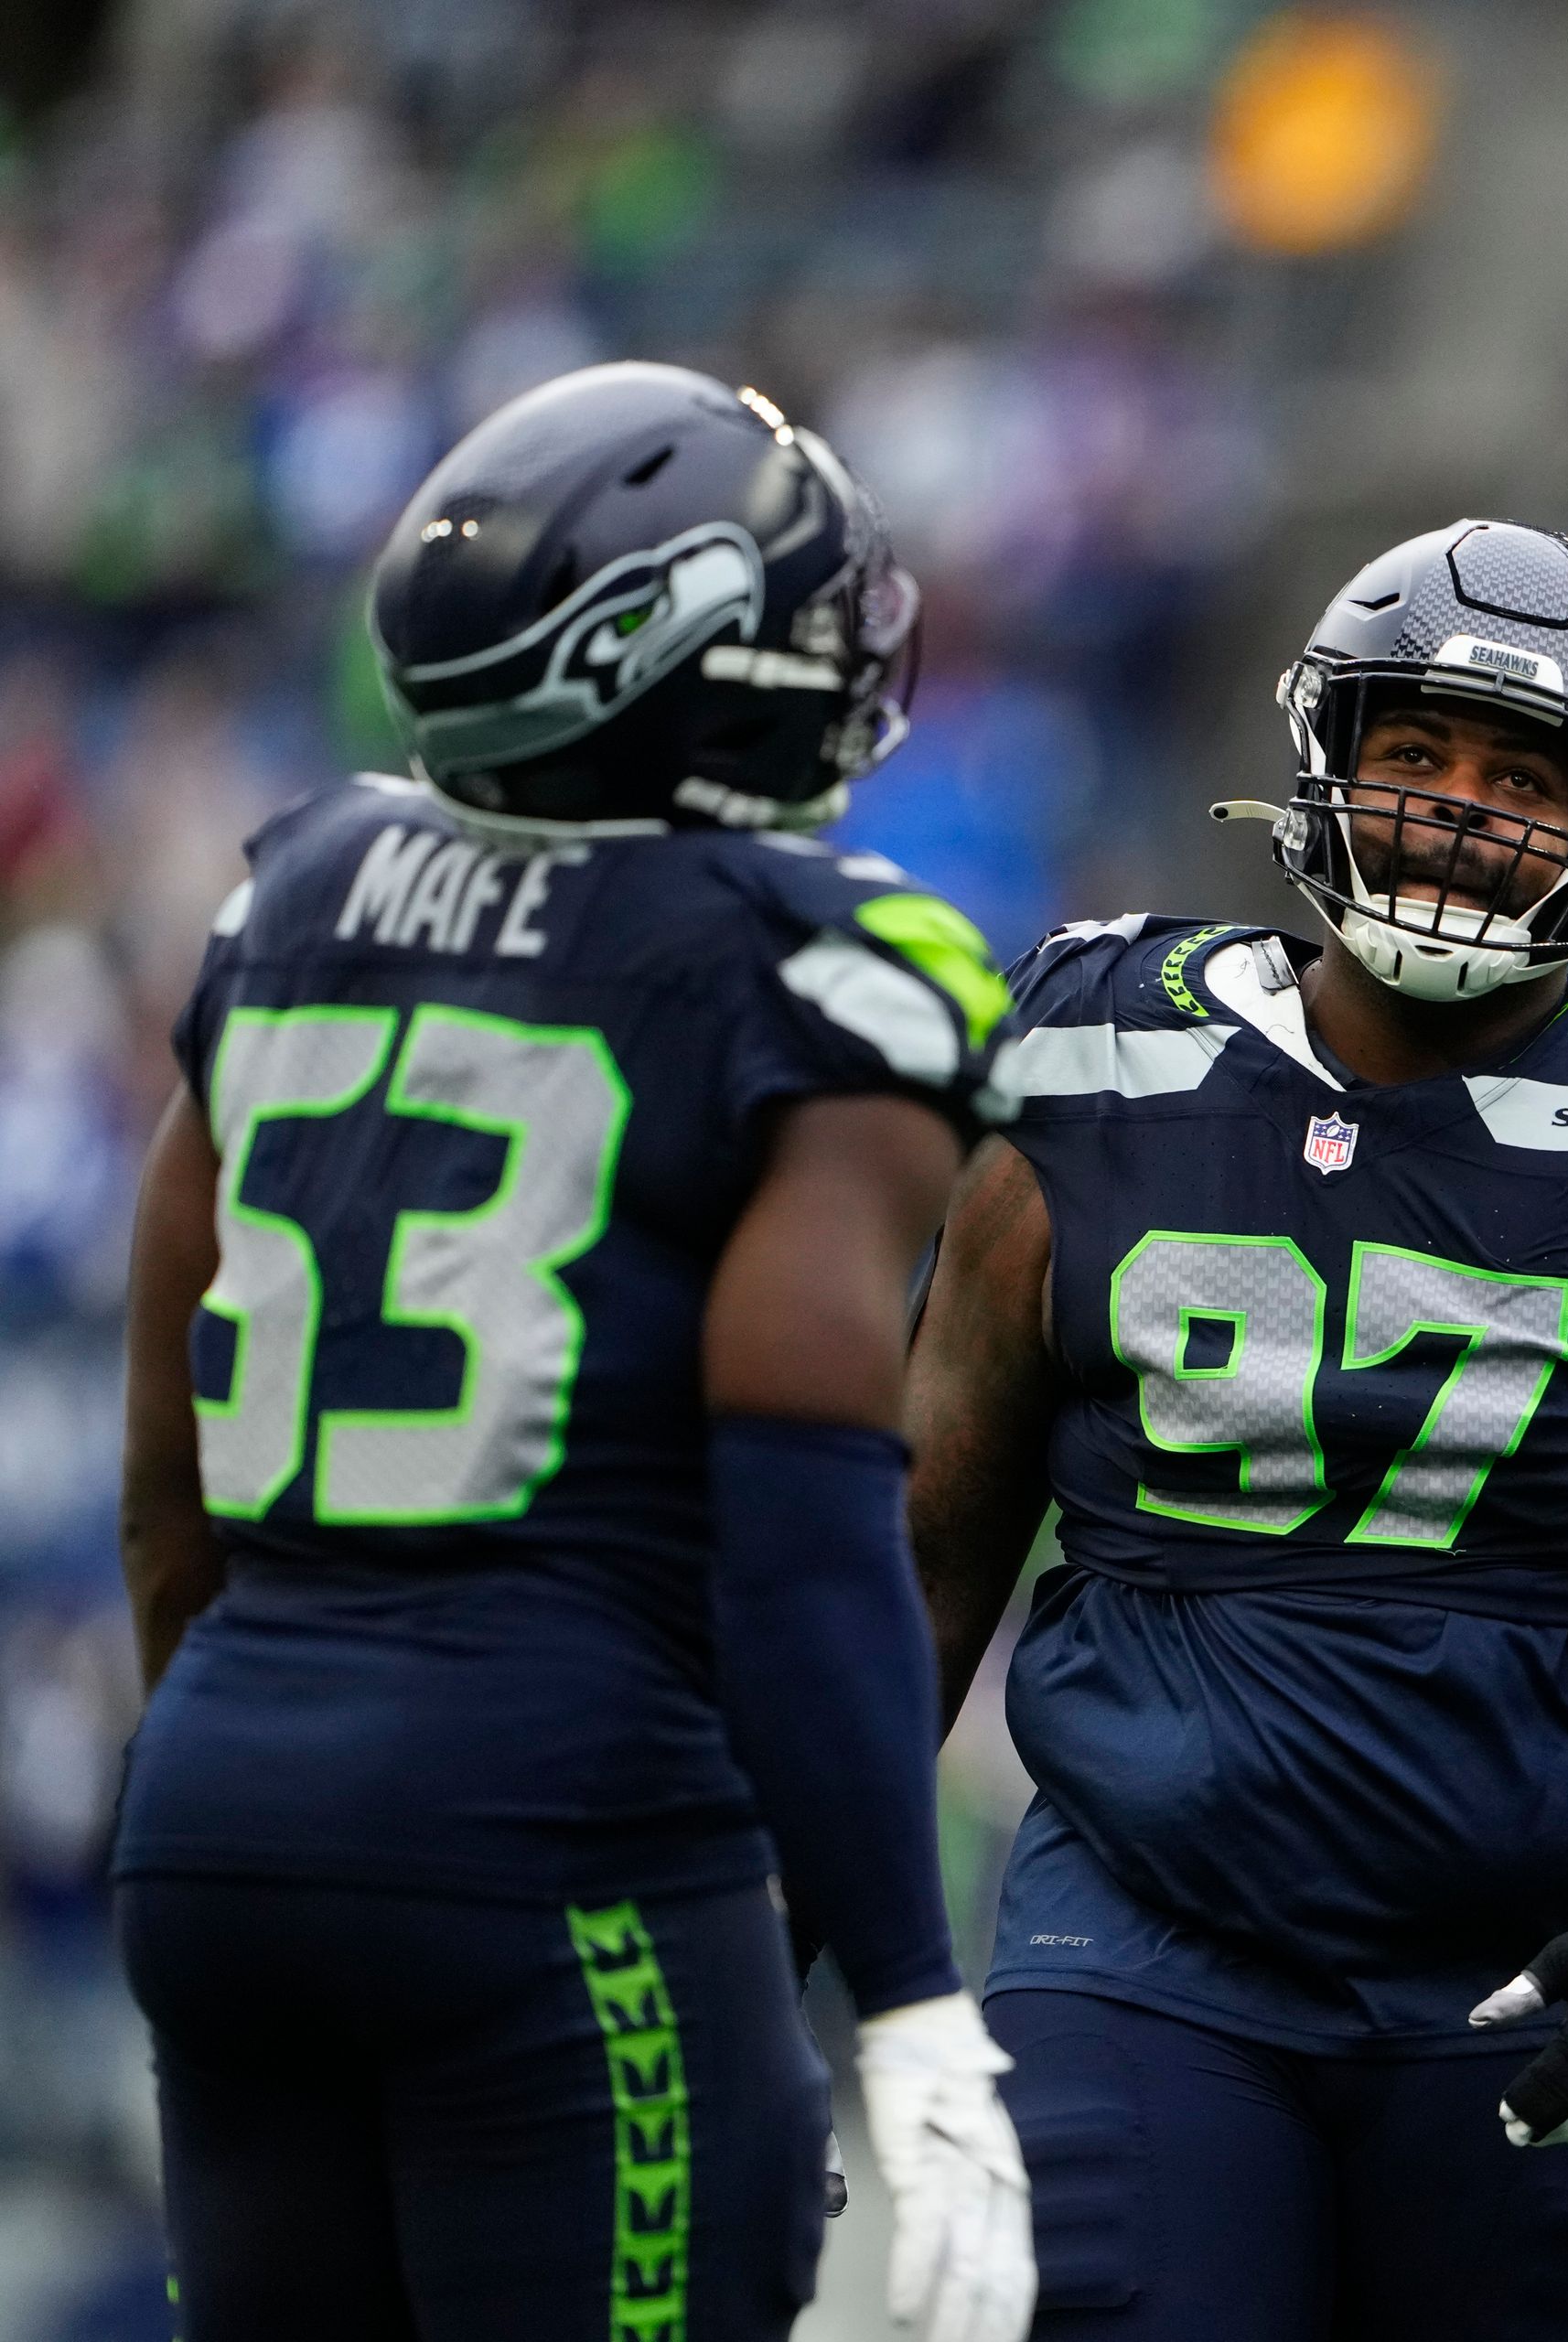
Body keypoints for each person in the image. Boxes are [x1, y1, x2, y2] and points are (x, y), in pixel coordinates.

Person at [114, 361, 1036, 2342]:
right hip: (562, 1835)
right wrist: (909, 1995)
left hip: (221, 1817)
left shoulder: (294, 887)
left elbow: (166, 1488)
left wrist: (255, 1785)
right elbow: (804, 1549)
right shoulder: (821, 967)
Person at [903, 517, 1568, 2339]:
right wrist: (802, 1926)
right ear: (1322, 761)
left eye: (1523, 773)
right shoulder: (1095, 1054)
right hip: (1142, 1934)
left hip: (1539, 1966)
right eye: (1416, 752)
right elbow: (922, 1547)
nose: (1460, 805)